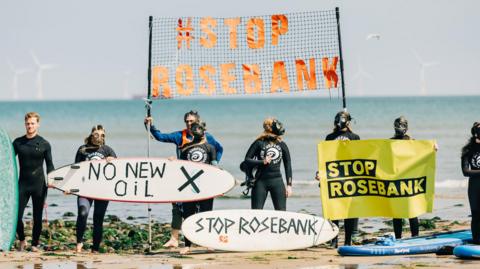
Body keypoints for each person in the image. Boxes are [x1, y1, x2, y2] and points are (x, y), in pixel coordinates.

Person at [144, 110, 223, 248]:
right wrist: (150, 126)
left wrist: (213, 168)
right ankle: (175, 239)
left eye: (191, 121)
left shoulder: (207, 137)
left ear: (198, 122)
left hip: (202, 179)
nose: (188, 123)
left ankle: (204, 240)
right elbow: (160, 137)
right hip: (184, 178)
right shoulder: (180, 135)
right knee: (178, 207)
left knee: (204, 210)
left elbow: (218, 149)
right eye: (186, 121)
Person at [316, 110, 360, 247]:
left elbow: (359, 157)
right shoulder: (330, 137)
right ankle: (333, 239)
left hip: (350, 177)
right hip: (333, 176)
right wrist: (320, 172)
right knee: (334, 208)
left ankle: (347, 240)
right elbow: (325, 157)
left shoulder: (354, 137)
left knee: (349, 210)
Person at [13, 112, 54, 252]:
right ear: (25, 124)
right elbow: (7, 161)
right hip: (22, 184)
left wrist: (53, 180)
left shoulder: (44, 144)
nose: (29, 126)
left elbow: (50, 165)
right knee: (16, 215)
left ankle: (35, 244)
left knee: (38, 217)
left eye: (32, 123)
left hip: (39, 185)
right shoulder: (18, 143)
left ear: (38, 124)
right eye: (27, 123)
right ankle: (22, 240)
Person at [73, 125, 116, 253]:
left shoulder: (108, 150)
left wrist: (112, 160)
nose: (99, 137)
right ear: (92, 135)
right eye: (96, 134)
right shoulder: (83, 149)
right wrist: (69, 187)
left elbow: (119, 170)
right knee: (82, 213)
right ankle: (79, 243)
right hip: (85, 189)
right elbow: (74, 169)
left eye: (102, 135)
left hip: (102, 190)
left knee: (98, 218)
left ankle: (95, 248)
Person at [178, 122, 217, 254]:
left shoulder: (210, 148)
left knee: (206, 215)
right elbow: (180, 168)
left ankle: (208, 243)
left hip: (206, 187)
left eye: (199, 128)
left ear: (204, 131)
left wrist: (219, 186)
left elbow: (215, 168)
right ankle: (187, 245)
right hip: (189, 188)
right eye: (195, 129)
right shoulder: (185, 148)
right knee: (188, 216)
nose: (197, 131)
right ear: (191, 132)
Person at [243, 117, 292, 211]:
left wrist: (289, 185)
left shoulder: (281, 144)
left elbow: (288, 165)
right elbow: (247, 160)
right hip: (260, 182)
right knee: (256, 214)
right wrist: (263, 162)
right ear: (272, 128)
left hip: (277, 182)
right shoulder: (259, 143)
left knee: (281, 214)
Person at [390, 116, 420, 239]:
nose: (400, 128)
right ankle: (398, 238)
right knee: (397, 212)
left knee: (412, 211)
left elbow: (422, 155)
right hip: (395, 180)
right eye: (398, 125)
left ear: (406, 127)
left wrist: (432, 148)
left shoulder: (412, 141)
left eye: (402, 125)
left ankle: (415, 237)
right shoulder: (389, 142)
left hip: (410, 180)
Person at [461, 122, 480, 244]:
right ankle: (476, 240)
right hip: (474, 187)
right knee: (476, 214)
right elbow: (465, 171)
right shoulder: (468, 150)